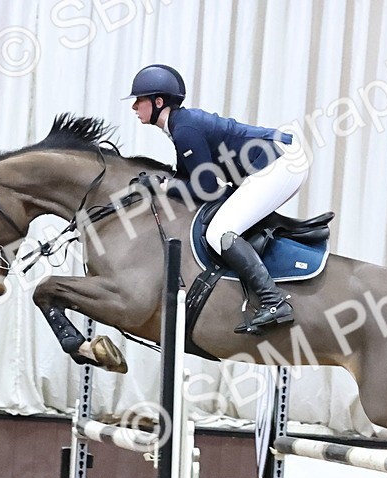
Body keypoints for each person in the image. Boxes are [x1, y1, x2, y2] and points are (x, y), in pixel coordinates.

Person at [124, 64, 303, 335]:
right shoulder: (179, 127)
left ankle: (274, 300)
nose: (134, 107)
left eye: (139, 100)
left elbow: (205, 186)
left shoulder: (185, 129)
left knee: (220, 232)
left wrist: (160, 186)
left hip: (282, 162)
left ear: (158, 102)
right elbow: (190, 179)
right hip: (276, 161)